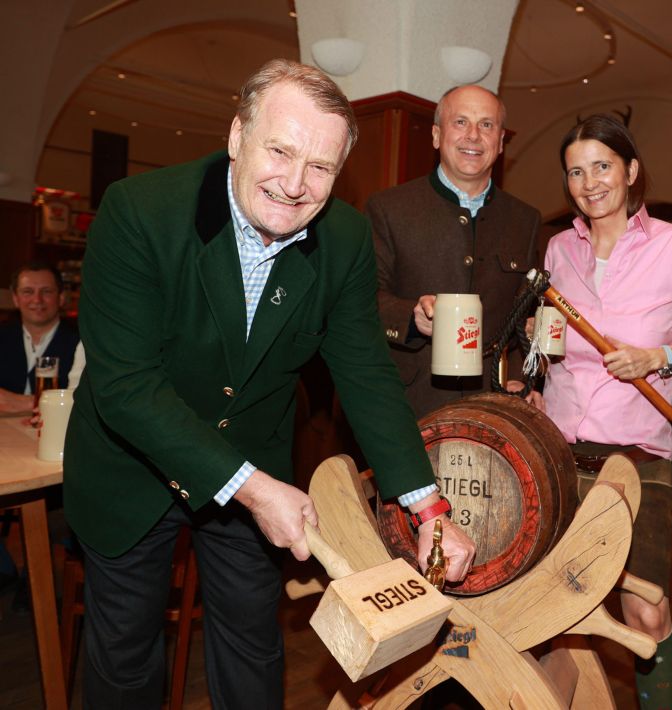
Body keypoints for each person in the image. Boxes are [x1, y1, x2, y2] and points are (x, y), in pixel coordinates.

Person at [62, 59, 474, 709]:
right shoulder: (140, 213)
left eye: (321, 167)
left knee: (255, 645)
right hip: (130, 468)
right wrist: (253, 490)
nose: (294, 184)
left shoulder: (344, 238)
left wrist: (427, 505)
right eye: (280, 151)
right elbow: (126, 388)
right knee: (125, 655)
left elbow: (366, 372)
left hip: (255, 456)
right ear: (236, 137)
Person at [538, 114, 672, 709]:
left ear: (631, 171)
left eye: (603, 167)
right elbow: (549, 344)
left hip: (638, 455)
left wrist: (658, 356)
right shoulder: (558, 249)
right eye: (576, 171)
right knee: (551, 609)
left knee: (644, 608)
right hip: (558, 451)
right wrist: (533, 372)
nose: (589, 183)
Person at [367, 84, 539, 418]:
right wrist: (411, 317)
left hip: (493, 410)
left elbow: (525, 317)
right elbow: (363, 299)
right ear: (436, 135)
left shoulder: (525, 219)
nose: (473, 136)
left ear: (501, 141)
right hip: (409, 406)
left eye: (486, 125)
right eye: (460, 122)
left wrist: (521, 379)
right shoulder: (389, 208)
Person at [0, 261, 84, 414]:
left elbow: (83, 402)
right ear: (15, 298)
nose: (37, 300)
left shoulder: (81, 343)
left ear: (61, 297)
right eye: (28, 291)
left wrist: (27, 402)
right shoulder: (3, 336)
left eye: (46, 291)